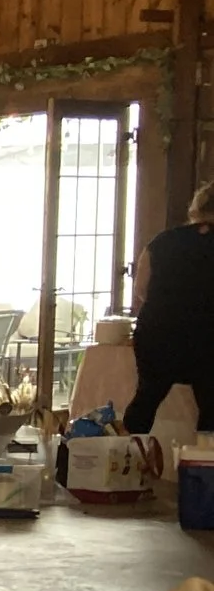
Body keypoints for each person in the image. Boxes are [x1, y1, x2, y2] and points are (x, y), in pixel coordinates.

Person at [125, 183, 214, 433]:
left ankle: (131, 448)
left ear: (196, 208)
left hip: (158, 333)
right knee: (210, 406)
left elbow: (141, 289)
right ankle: (204, 454)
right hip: (207, 336)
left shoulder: (162, 241)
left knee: (147, 398)